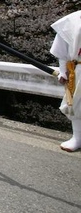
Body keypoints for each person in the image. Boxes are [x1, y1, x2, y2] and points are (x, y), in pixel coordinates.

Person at [49, 10, 81, 152]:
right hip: (78, 69)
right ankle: (77, 137)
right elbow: (62, 50)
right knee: (76, 105)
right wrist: (63, 71)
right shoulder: (72, 20)